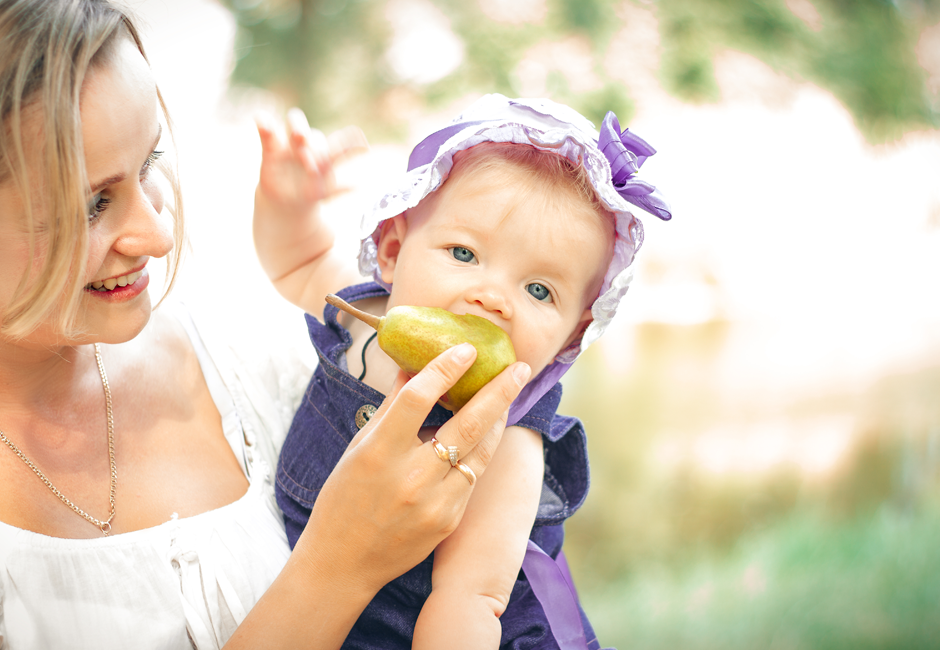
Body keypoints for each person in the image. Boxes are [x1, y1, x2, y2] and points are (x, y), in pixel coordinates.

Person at [0, 2, 530, 648]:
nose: (159, 234)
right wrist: (340, 564)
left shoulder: (248, 350)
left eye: (150, 164)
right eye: (91, 204)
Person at [253, 94, 672, 649]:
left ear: (572, 335)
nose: (495, 298)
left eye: (540, 290)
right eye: (465, 254)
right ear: (395, 251)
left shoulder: (506, 437)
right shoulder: (370, 317)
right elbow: (300, 262)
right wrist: (289, 208)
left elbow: (470, 601)